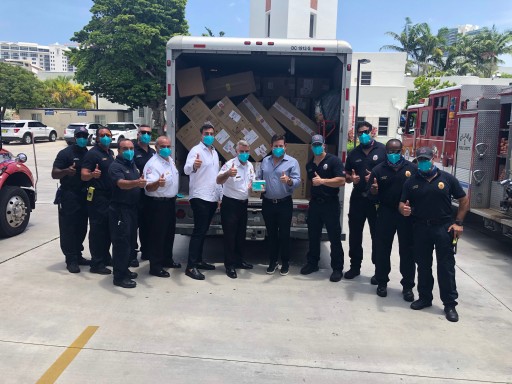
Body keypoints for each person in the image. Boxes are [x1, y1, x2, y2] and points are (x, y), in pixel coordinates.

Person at [399, 147, 469, 322]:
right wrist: (404, 210)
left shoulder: (447, 179)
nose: (423, 162)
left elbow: (464, 199)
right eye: (420, 159)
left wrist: (458, 223)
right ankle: (425, 298)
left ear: (433, 158)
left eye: (426, 159)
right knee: (423, 265)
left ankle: (450, 304)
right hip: (421, 227)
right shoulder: (411, 181)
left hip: (443, 228)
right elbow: (401, 203)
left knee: (445, 266)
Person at [368, 139, 416, 301]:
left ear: (402, 151)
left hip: (406, 216)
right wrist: (374, 191)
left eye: (396, 151)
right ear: (386, 151)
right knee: (382, 249)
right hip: (386, 213)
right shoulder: (378, 170)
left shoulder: (412, 169)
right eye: (390, 151)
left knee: (407, 250)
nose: (393, 154)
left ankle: (408, 286)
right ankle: (382, 282)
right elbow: (370, 195)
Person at [344, 121, 386, 282]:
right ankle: (355, 266)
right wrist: (351, 179)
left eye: (365, 132)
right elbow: (346, 175)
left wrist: (378, 180)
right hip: (358, 197)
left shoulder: (382, 150)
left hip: (377, 199)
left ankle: (378, 270)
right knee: (355, 234)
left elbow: (391, 173)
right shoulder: (353, 153)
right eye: (359, 133)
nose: (362, 135)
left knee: (378, 235)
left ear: (372, 131)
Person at [300, 135, 346, 282]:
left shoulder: (334, 161)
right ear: (311, 146)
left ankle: (337, 268)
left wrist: (323, 181)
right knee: (313, 236)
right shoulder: (309, 165)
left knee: (334, 237)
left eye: (319, 144)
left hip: (330, 204)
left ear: (324, 145)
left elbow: (342, 180)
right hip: (315, 205)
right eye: (314, 145)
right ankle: (312, 263)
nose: (317, 147)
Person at [183, 123, 222, 280]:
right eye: (206, 133)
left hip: (212, 197)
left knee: (204, 230)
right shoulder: (196, 150)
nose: (209, 136)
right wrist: (194, 165)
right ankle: (191, 267)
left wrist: (219, 196)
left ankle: (198, 261)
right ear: (201, 135)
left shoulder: (214, 152)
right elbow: (186, 169)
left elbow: (216, 175)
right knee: (199, 231)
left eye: (212, 133)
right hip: (199, 196)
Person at [258, 134, 300, 276]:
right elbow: (258, 178)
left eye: (281, 146)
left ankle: (285, 263)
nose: (278, 148)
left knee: (284, 234)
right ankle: (272, 262)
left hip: (284, 203)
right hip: (268, 203)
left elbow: (297, 180)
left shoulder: (292, 162)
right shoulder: (265, 161)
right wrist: (258, 186)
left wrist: (288, 181)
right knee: (271, 235)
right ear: (271, 147)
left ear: (285, 147)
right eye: (275, 146)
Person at [108, 138, 146, 288]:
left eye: (131, 148)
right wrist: (137, 183)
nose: (130, 151)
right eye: (126, 149)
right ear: (119, 151)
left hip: (131, 209)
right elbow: (121, 184)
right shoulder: (115, 166)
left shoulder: (132, 165)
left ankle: (124, 269)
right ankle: (119, 276)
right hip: (120, 210)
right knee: (121, 243)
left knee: (129, 242)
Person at [51, 126, 90, 273]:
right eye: (79, 136)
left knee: (81, 227)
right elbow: (54, 174)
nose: (82, 138)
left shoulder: (87, 153)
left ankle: (78, 255)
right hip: (69, 195)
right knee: (69, 228)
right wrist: (66, 171)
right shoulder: (65, 153)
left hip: (84, 195)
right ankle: (71, 259)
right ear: (74, 137)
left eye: (85, 136)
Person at [216, 140, 256, 279]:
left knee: (241, 234)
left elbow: (252, 181)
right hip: (230, 204)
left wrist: (255, 186)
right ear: (236, 151)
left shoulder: (250, 165)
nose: (244, 154)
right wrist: (228, 173)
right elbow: (218, 180)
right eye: (241, 151)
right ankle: (229, 265)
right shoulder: (230, 165)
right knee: (230, 236)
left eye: (246, 151)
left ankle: (239, 261)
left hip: (243, 204)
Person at [143, 136, 180, 278]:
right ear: (156, 148)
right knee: (157, 236)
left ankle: (167, 259)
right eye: (162, 146)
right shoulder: (153, 164)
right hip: (157, 204)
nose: (166, 149)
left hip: (169, 202)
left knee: (169, 234)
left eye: (168, 146)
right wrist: (158, 183)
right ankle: (156, 266)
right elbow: (148, 187)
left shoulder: (169, 160)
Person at [81, 127, 115, 275]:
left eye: (108, 135)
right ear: (97, 138)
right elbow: (83, 175)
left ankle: (105, 257)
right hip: (97, 197)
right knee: (98, 230)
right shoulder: (92, 154)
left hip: (109, 196)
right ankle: (96, 263)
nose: (106, 137)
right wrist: (92, 175)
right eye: (103, 135)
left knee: (108, 229)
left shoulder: (110, 153)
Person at [133, 125, 156, 265]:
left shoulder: (152, 152)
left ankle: (146, 250)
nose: (146, 135)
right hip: (136, 193)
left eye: (148, 133)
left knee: (147, 224)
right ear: (138, 134)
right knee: (133, 225)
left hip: (149, 194)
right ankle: (132, 254)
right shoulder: (132, 150)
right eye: (143, 133)